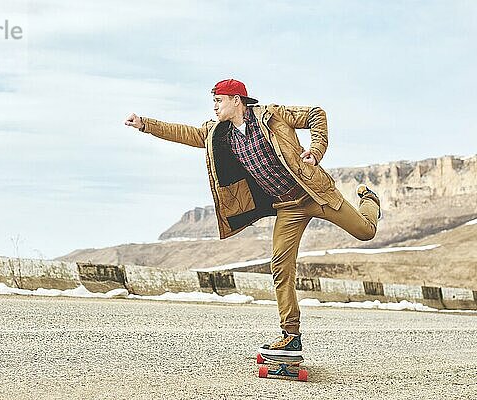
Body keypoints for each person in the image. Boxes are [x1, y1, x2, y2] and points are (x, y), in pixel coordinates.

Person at [124, 79, 381, 361]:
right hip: (287, 208)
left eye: (218, 100)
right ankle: (291, 336)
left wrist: (316, 150)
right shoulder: (218, 133)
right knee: (281, 268)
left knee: (365, 232)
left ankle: (369, 200)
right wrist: (145, 124)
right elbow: (185, 133)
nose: (214, 106)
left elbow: (316, 114)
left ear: (237, 100)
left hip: (313, 193)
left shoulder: (272, 115)